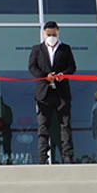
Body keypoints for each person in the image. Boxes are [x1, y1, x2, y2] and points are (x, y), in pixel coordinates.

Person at [28, 21, 77, 164]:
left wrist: (63, 74)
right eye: (48, 34)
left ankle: (68, 156)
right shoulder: (37, 49)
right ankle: (43, 157)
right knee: (43, 126)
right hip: (44, 93)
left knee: (65, 125)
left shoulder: (65, 49)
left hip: (62, 93)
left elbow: (72, 67)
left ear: (58, 32)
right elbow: (32, 67)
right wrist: (44, 75)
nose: (51, 37)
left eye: (54, 34)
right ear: (44, 34)